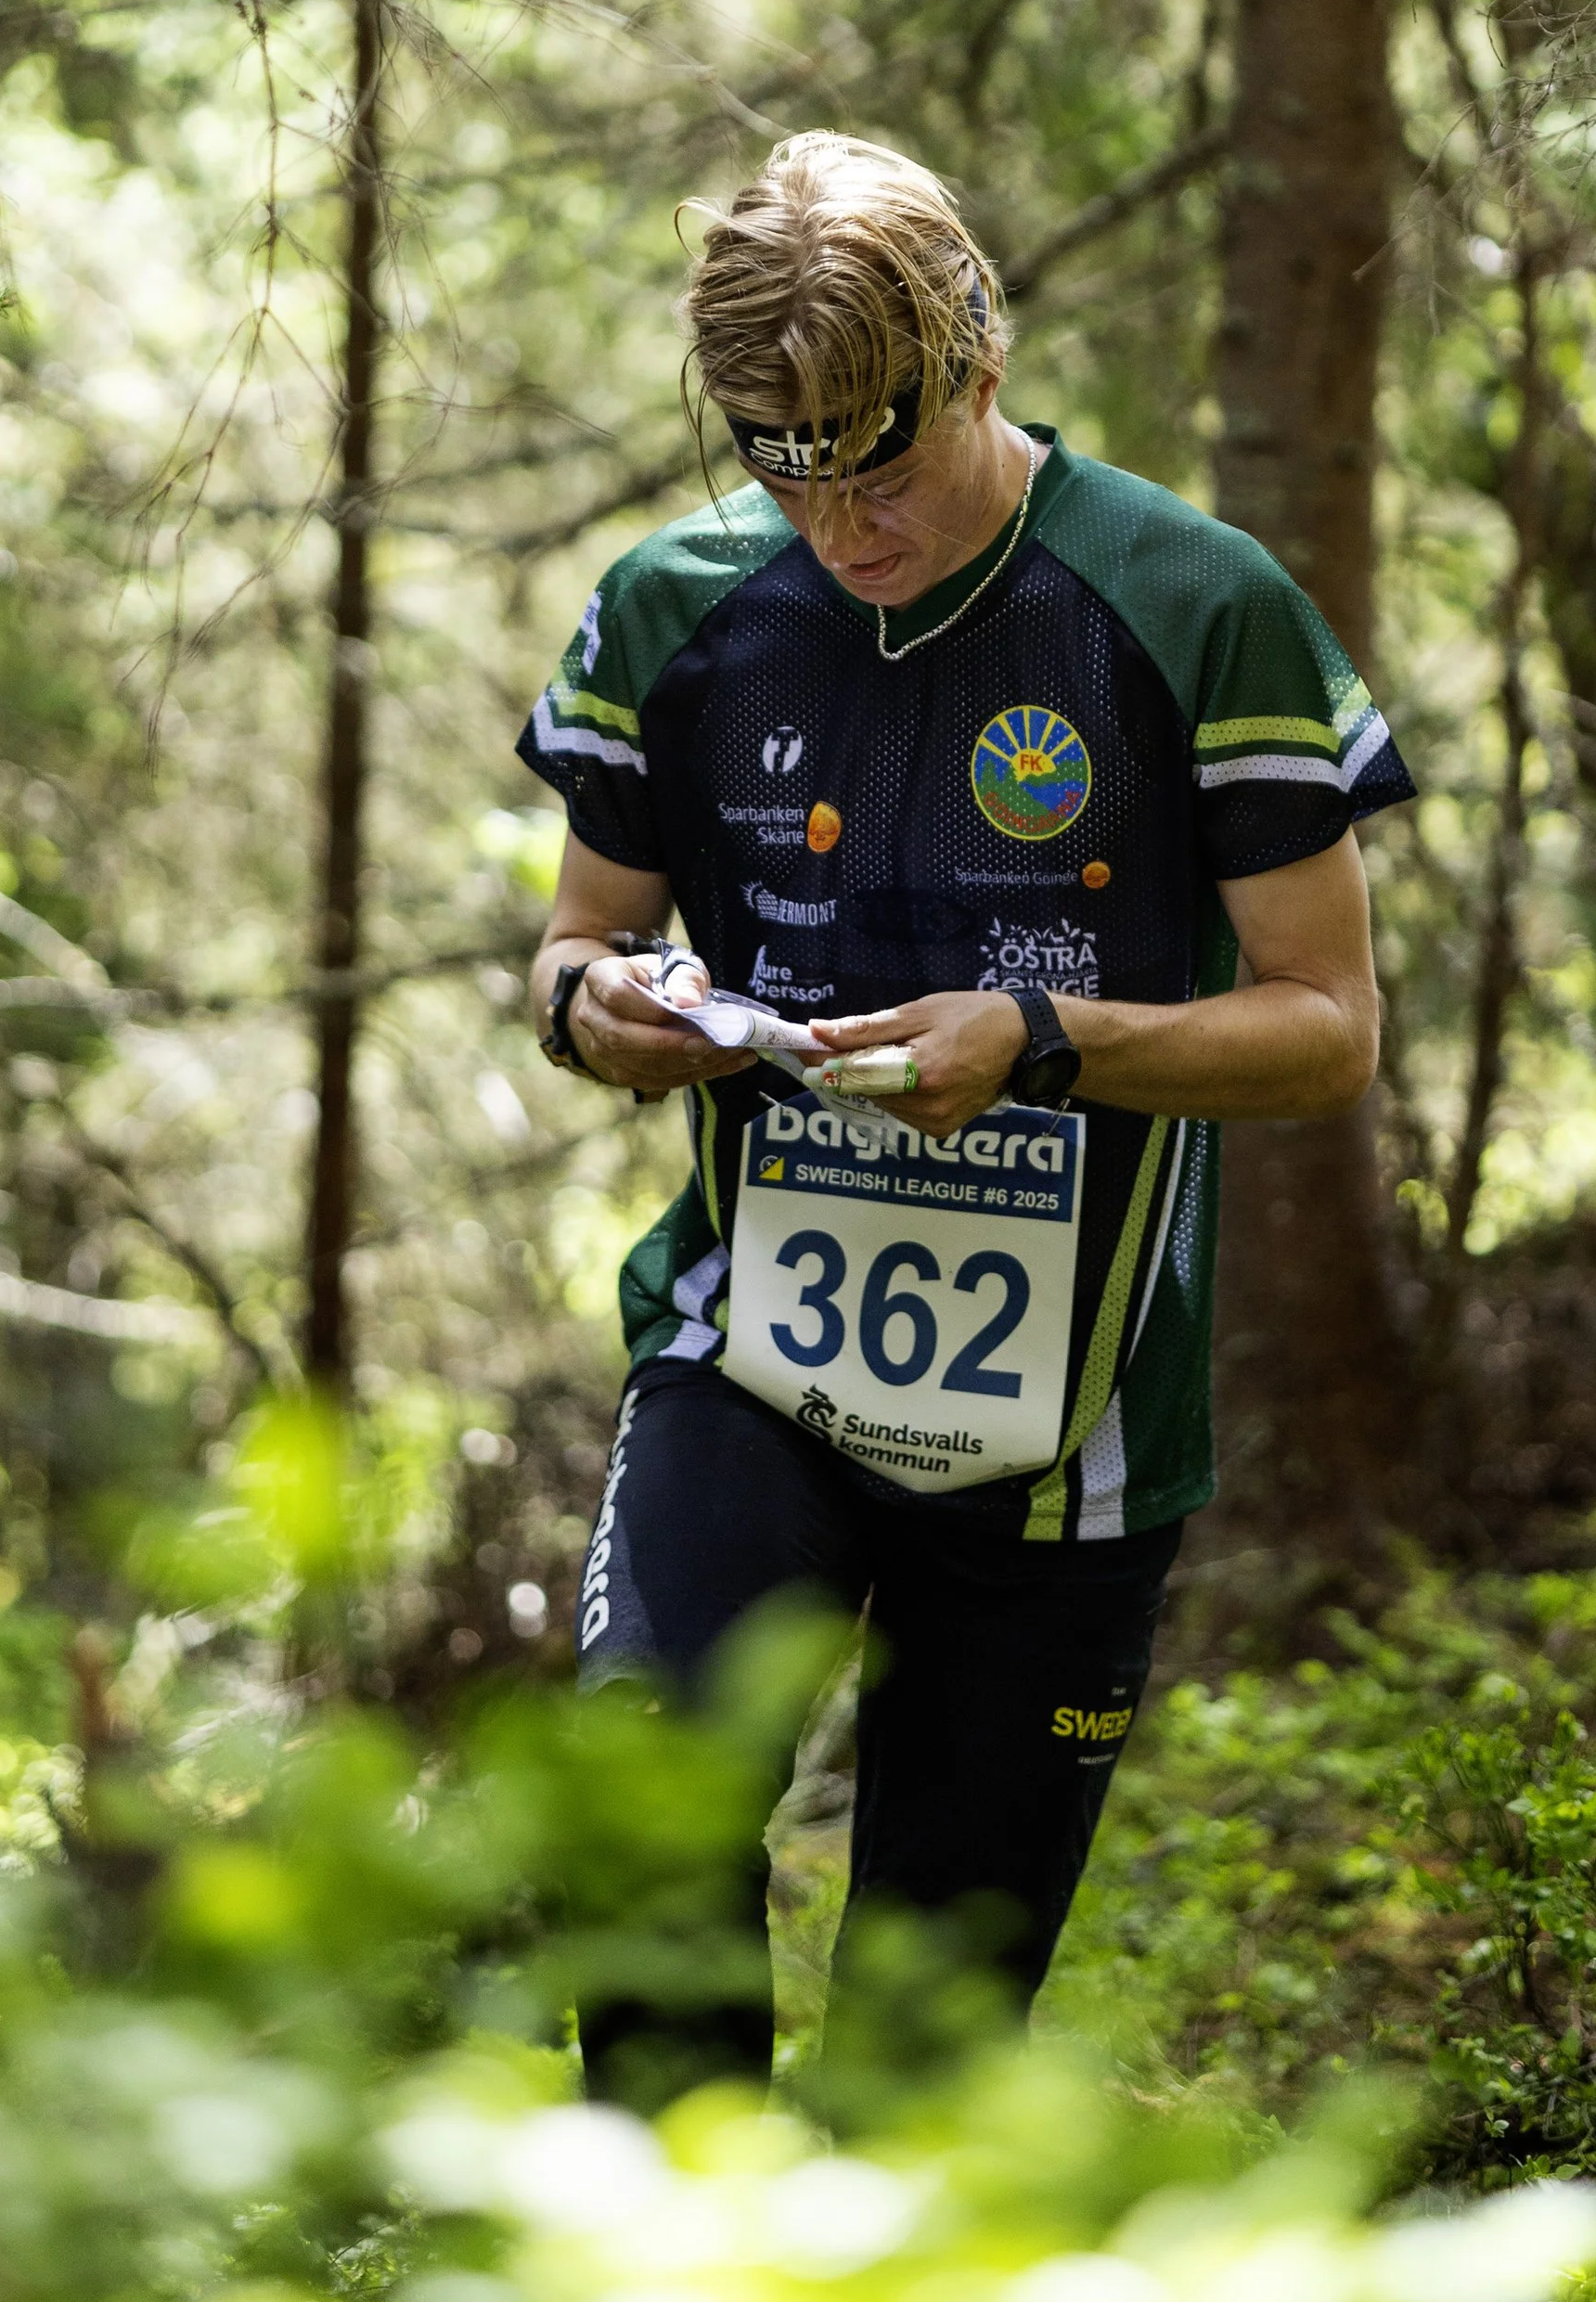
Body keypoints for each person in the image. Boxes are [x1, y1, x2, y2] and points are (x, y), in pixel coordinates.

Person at [520, 129, 1414, 2101]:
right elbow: (573, 950)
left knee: (924, 2040)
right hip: (751, 1355)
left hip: (1064, 1433)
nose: (841, 521)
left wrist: (1046, 1037)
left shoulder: (1192, 607)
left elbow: (1326, 1026)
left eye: (880, 458)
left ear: (976, 355)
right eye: (779, 458)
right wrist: (608, 1007)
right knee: (638, 1806)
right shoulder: (673, 612)